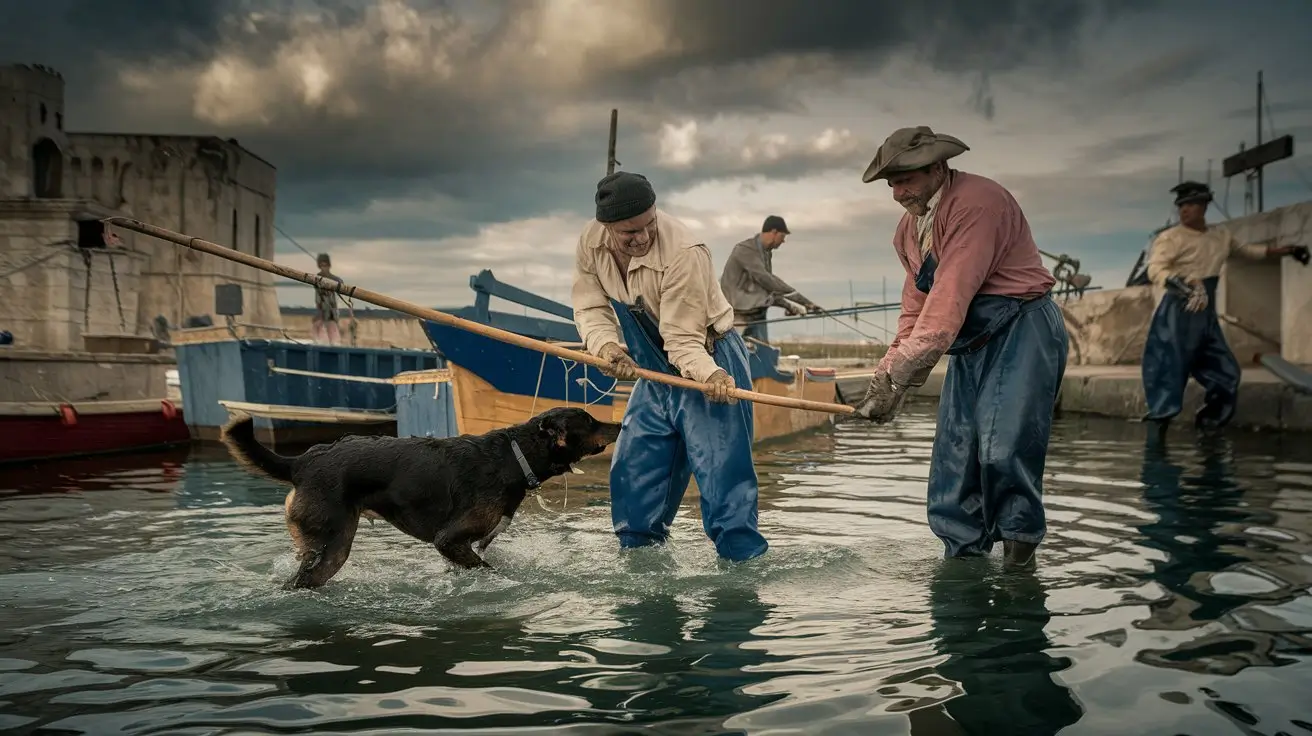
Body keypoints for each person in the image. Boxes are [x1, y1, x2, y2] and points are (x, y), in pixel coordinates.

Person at [854, 126, 1068, 568]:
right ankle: (963, 561)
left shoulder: (979, 204)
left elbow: (948, 299)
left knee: (1003, 447)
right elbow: (915, 311)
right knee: (955, 455)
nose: (897, 193)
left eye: (906, 179)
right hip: (970, 344)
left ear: (937, 167)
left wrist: (899, 377)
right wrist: (886, 378)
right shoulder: (908, 232)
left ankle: (1017, 568)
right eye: (891, 184)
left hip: (1021, 329)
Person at [571, 171, 768, 563]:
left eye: (649, 224)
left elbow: (682, 340)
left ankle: (742, 580)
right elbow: (590, 307)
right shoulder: (589, 243)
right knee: (634, 477)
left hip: (707, 359)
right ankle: (642, 571)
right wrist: (607, 348)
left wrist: (713, 376)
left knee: (723, 485)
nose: (641, 237)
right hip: (651, 371)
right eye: (629, 233)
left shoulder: (685, 251)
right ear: (606, 227)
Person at [1141, 181, 1308, 437]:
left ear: (1204, 206)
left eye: (1191, 204)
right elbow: (1155, 268)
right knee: (1167, 370)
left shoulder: (1221, 235)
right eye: (1181, 205)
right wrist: (1179, 282)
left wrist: (1286, 251)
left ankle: (1209, 429)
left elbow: (1247, 251)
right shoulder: (1170, 238)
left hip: (1205, 313)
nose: (1185, 210)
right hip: (1177, 310)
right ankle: (1156, 437)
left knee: (1226, 372)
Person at [719, 215, 822, 344]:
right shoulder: (745, 250)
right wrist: (800, 301)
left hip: (757, 314)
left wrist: (794, 306)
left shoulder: (766, 252)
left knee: (763, 354)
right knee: (739, 356)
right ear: (774, 232)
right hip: (738, 315)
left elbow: (769, 289)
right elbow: (766, 280)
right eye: (782, 237)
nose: (783, 241)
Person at [312, 253, 344, 344]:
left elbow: (340, 282)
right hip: (320, 307)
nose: (323, 268)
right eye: (321, 265)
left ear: (329, 266)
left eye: (325, 265)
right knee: (318, 327)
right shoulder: (317, 278)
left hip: (331, 309)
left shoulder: (334, 278)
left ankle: (334, 345)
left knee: (332, 329)